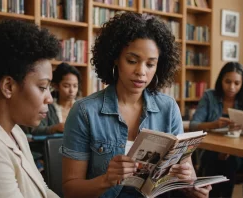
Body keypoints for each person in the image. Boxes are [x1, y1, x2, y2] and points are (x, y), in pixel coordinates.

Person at [60, 12, 212, 198]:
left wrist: (190, 183)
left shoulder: (168, 108)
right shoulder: (85, 111)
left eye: (150, 64)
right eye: (132, 61)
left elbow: (186, 171)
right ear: (115, 58)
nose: (141, 72)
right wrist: (107, 179)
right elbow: (70, 190)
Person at [0, 20, 60, 197]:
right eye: (42, 87)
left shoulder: (16, 132)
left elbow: (43, 192)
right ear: (8, 87)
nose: (49, 98)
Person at [189, 62, 243, 198]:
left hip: (238, 154)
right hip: (211, 151)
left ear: (242, 84)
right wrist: (213, 124)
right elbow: (193, 125)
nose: (231, 87)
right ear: (221, 80)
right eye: (228, 82)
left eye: (237, 83)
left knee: (228, 160)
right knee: (216, 158)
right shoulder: (209, 96)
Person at [31, 62, 81, 135]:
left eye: (75, 86)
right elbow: (35, 131)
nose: (71, 91)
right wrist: (55, 128)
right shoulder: (47, 107)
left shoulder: (82, 107)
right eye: (66, 86)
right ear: (56, 86)